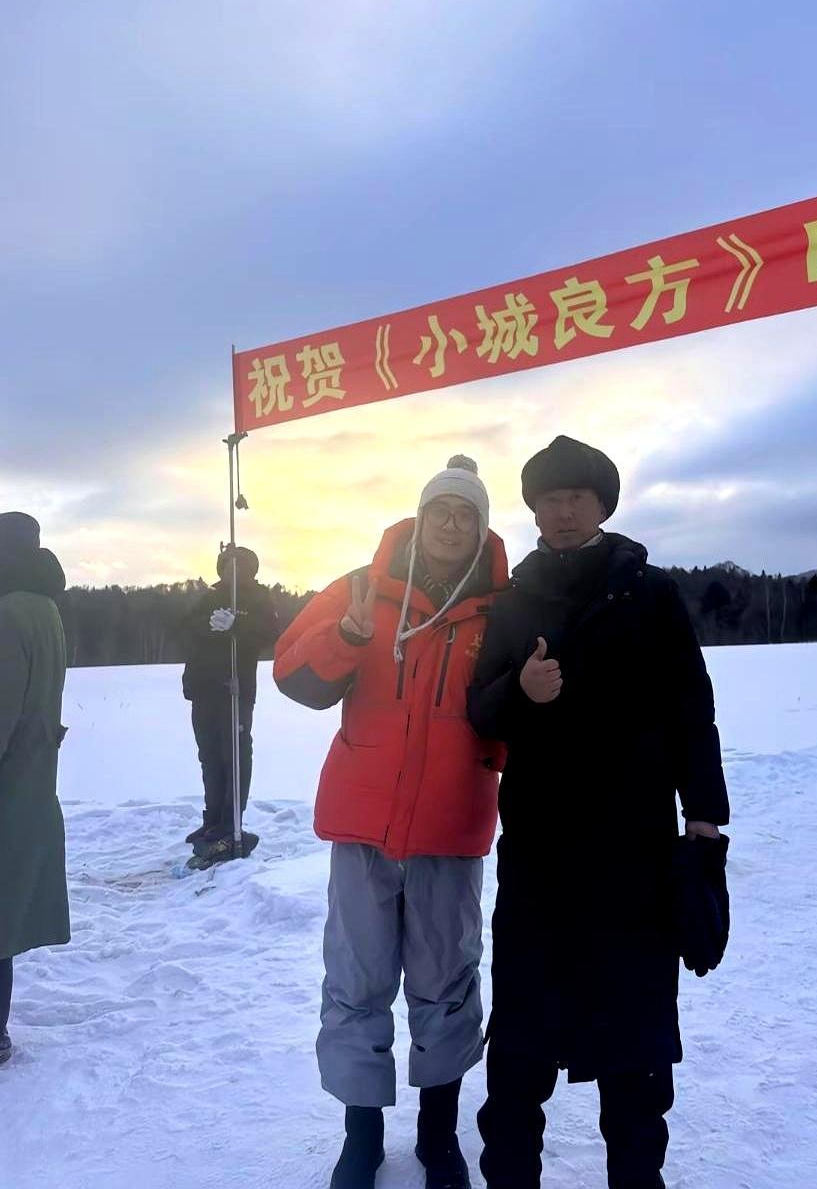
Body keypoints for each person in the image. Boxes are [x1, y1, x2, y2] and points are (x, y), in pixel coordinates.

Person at [467, 436, 730, 1189]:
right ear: (535, 511)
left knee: (635, 1039)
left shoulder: (650, 593)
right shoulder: (515, 601)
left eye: (579, 495)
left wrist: (704, 820)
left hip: (634, 849)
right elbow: (480, 708)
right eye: (551, 497)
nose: (565, 508)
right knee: (521, 1040)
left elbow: (692, 710)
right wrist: (523, 691)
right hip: (541, 854)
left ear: (604, 505)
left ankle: (637, 1180)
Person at [274, 456, 508, 1189]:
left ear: (481, 527)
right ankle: (361, 1136)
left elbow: (512, 718)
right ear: (418, 514)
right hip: (363, 827)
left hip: (450, 826)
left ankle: (439, 1137)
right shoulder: (361, 589)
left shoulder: (505, 608)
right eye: (441, 508)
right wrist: (345, 636)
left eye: (465, 513)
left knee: (447, 983)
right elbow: (293, 677)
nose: (450, 523)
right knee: (356, 980)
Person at [0, 512, 69, 1069]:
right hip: (29, 782)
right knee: (0, 912)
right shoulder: (43, 608)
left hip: (2, 786)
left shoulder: (5, 615)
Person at [181, 545, 278, 858]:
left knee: (233, 756)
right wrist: (210, 625)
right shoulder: (210, 598)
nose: (231, 571)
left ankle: (231, 822)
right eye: (226, 565)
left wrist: (237, 625)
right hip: (203, 689)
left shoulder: (258, 600)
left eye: (238, 566)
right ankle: (212, 820)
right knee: (208, 756)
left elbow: (269, 634)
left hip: (234, 692)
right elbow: (185, 628)